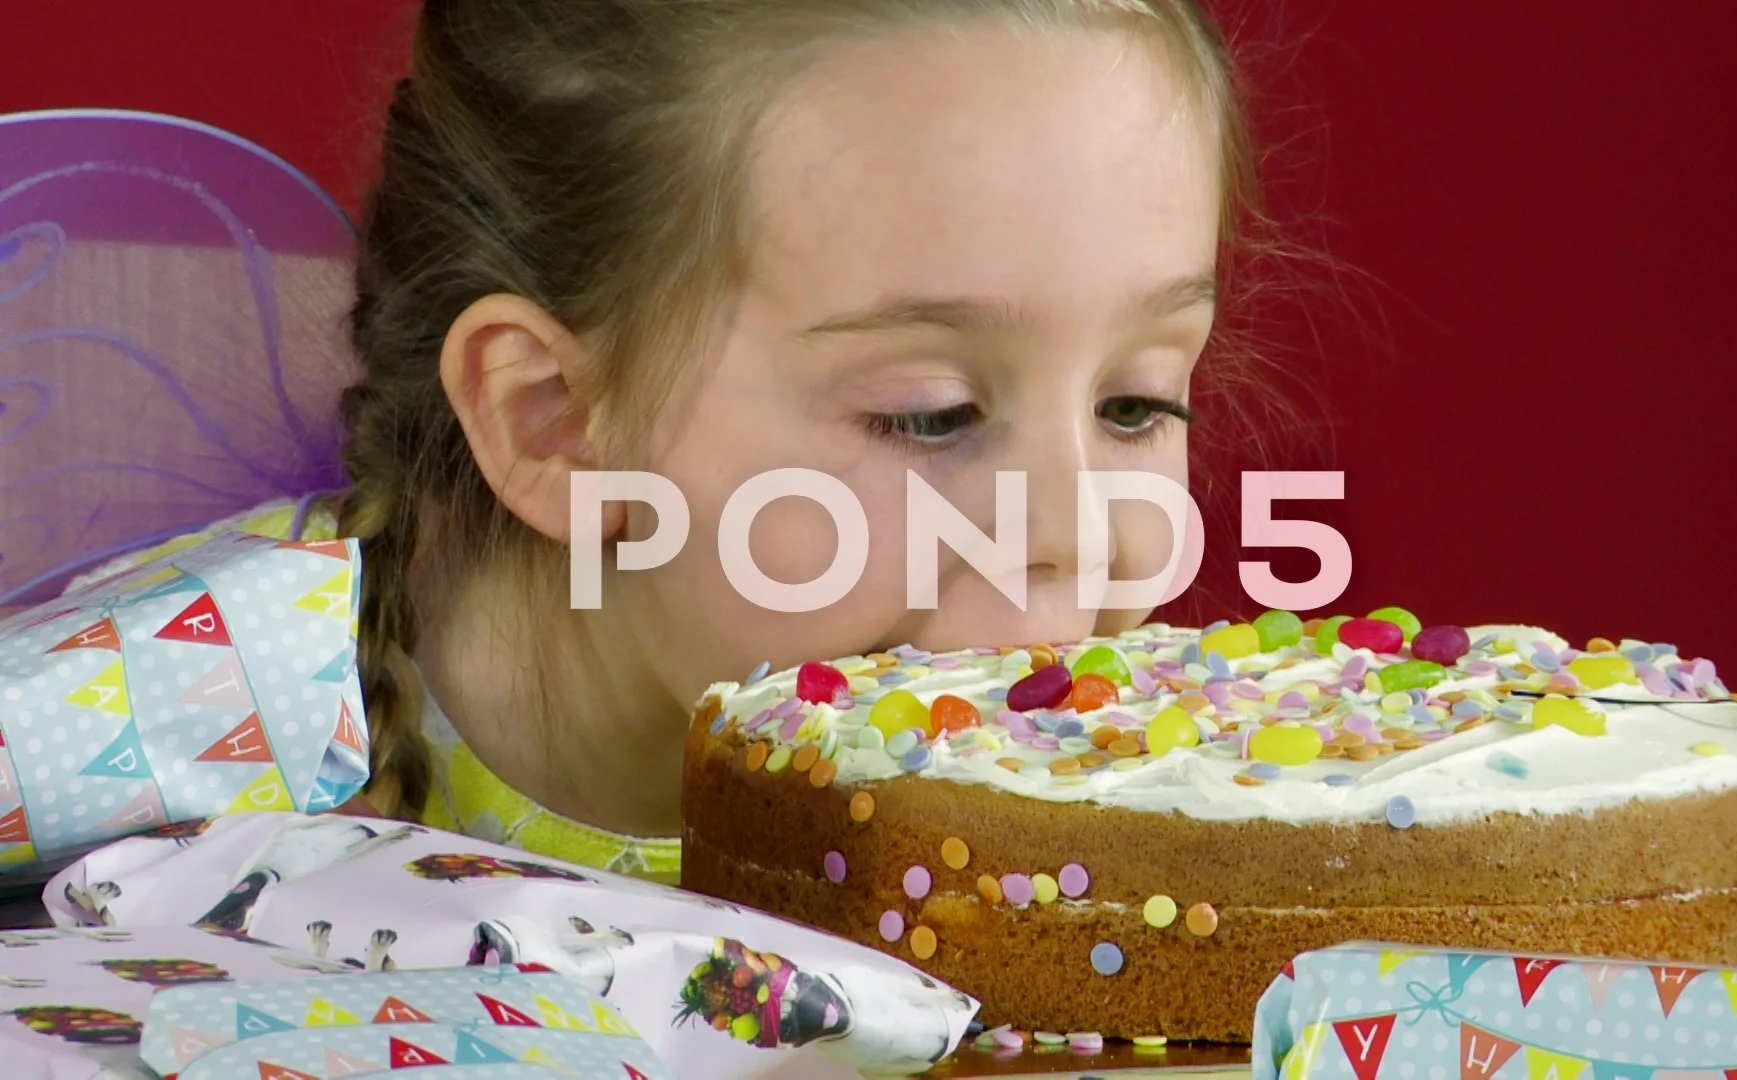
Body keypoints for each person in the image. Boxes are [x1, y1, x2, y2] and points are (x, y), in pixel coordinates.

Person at [82, 0, 1281, 884]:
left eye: (1134, 403)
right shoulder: (150, 751)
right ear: (554, 419)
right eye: (930, 413)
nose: (1075, 538)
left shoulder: (1128, 822)